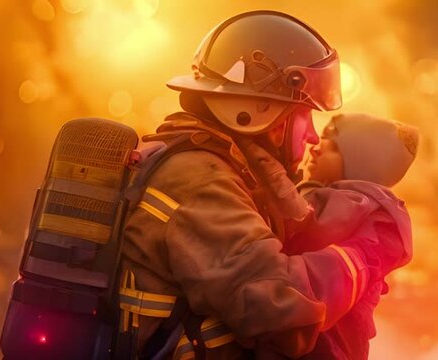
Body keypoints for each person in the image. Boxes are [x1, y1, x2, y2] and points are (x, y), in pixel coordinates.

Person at [116, 11, 398, 359]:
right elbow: (282, 311)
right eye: (304, 115)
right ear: (262, 111)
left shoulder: (216, 169)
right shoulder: (200, 180)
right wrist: (362, 258)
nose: (312, 136)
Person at [277, 113, 418, 359]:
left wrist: (265, 280)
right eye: (320, 140)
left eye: (333, 148)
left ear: (361, 163)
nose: (315, 148)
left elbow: (324, 283)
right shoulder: (308, 197)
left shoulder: (378, 227)